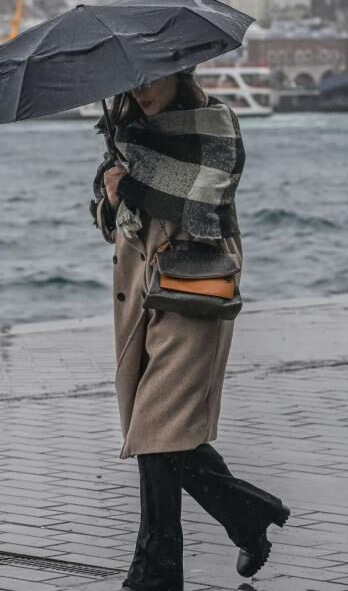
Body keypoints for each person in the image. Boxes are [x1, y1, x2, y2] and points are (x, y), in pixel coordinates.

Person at [91, 70, 290, 591]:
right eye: (132, 82)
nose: (141, 91)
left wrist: (129, 184)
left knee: (156, 431)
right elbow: (111, 224)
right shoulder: (125, 135)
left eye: (151, 79)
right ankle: (247, 515)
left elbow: (205, 207)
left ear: (179, 74)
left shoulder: (213, 126)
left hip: (191, 291)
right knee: (162, 434)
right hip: (139, 298)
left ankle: (153, 575)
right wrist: (111, 197)